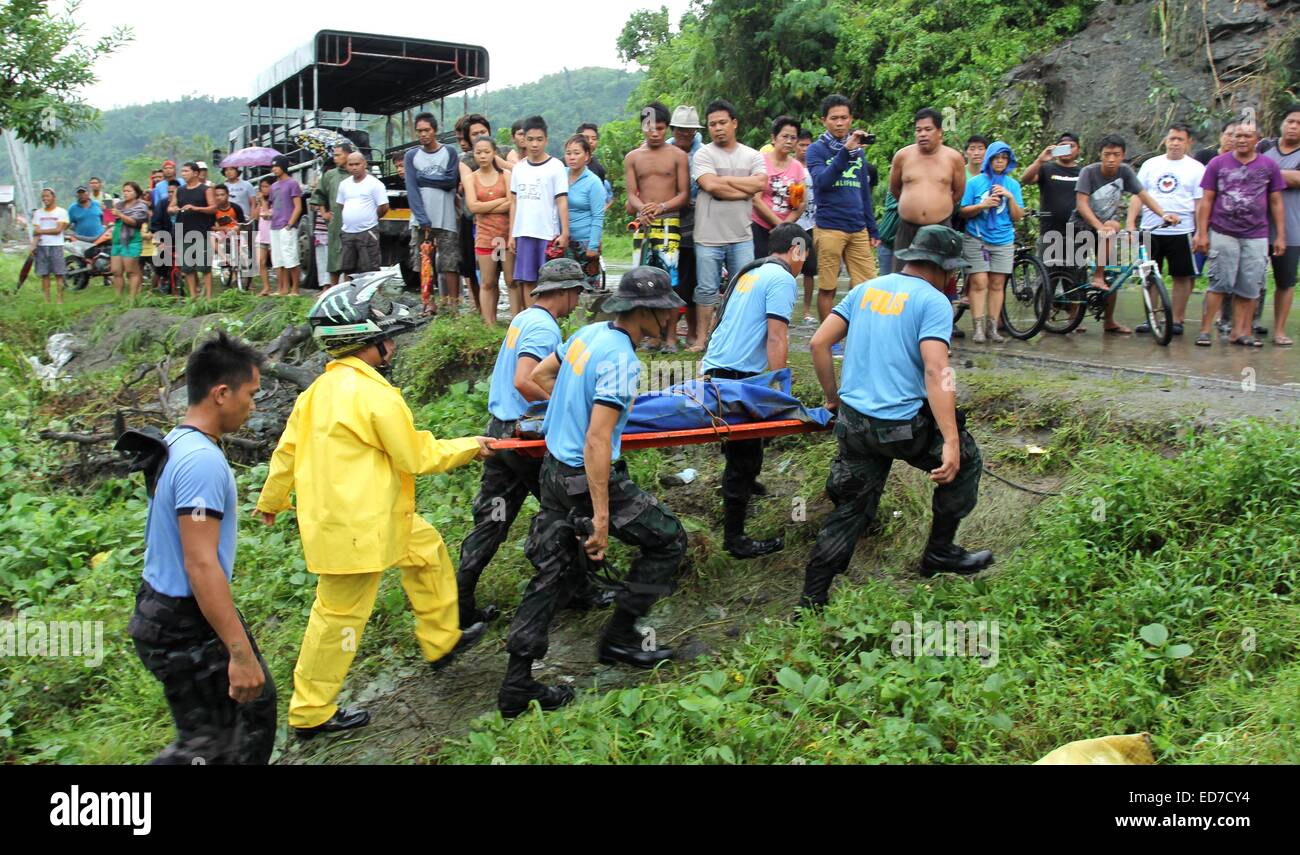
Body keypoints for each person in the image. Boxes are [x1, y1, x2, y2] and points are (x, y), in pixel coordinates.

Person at [256, 280, 495, 738]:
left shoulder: (316, 393)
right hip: (360, 529)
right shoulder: (376, 395)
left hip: (370, 518)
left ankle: (441, 641)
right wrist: (471, 446)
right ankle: (311, 712)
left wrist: (272, 499)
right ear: (365, 342)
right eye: (385, 336)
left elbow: (286, 451)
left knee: (426, 552)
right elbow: (416, 457)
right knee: (338, 619)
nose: (391, 343)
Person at [498, 267, 688, 716]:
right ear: (645, 312)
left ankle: (516, 684)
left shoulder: (587, 334)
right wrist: (602, 517)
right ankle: (620, 638)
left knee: (552, 572)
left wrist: (569, 406)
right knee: (667, 540)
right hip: (584, 478)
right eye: (665, 313)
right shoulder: (623, 361)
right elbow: (598, 442)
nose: (669, 321)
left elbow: (543, 377)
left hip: (553, 470)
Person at [799, 226, 994, 611]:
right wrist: (952, 442)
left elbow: (819, 343)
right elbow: (937, 371)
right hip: (900, 428)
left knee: (851, 509)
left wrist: (832, 397)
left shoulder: (865, 289)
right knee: (967, 461)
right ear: (944, 268)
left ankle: (812, 599)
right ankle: (939, 552)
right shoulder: (934, 302)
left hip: (854, 423)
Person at [128, 331, 275, 764]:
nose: (253, 405)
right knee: (213, 742)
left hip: (166, 613)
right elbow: (200, 564)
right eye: (251, 394)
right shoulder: (201, 462)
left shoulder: (178, 444)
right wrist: (239, 652)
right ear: (221, 393)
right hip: (182, 623)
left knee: (249, 716)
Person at [457, 259, 587, 627]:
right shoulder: (543, 328)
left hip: (500, 434)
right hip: (525, 438)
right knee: (569, 506)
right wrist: (568, 407)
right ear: (562, 292)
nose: (577, 302)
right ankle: (577, 589)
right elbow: (524, 381)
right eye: (576, 293)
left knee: (493, 518)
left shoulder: (523, 318)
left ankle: (460, 601)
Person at [701, 223, 805, 558]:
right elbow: (777, 336)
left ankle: (746, 483)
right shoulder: (782, 278)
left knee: (745, 445)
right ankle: (735, 540)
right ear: (797, 250)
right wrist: (780, 387)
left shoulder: (749, 272)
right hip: (737, 377)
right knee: (743, 457)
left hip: (714, 369)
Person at [1070, 135, 1180, 333]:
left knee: (1113, 273)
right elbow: (1081, 204)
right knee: (1075, 271)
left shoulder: (1125, 172)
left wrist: (1164, 214)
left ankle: (1109, 318)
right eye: (1107, 154)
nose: (1111, 159)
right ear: (1100, 155)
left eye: (1116, 154)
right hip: (1080, 225)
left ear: (1123, 155)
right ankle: (1074, 311)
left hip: (1106, 228)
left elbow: (1144, 196)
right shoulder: (1089, 172)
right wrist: (1097, 226)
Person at [1194, 122, 1287, 347]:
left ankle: (1239, 332)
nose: (1242, 140)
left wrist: (1280, 235)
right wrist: (1201, 232)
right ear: (1231, 139)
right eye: (1238, 136)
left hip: (1256, 234)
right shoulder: (1217, 163)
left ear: (1257, 139)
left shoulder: (1269, 165)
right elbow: (1206, 201)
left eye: (1247, 136)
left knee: (1249, 286)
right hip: (1224, 231)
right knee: (1218, 283)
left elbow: (1276, 202)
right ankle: (1205, 330)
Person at [692, 99, 767, 352]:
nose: (717, 128)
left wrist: (724, 183)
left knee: (743, 290)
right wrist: (742, 188)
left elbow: (759, 185)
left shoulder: (752, 155)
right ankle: (702, 339)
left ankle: (736, 341)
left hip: (741, 235)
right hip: (707, 235)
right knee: (706, 290)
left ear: (734, 123)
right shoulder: (703, 153)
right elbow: (711, 186)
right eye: (712, 124)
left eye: (722, 122)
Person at [806, 95, 882, 324]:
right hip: (829, 227)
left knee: (869, 286)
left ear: (851, 119)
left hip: (857, 227)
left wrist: (872, 227)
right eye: (834, 118)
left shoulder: (858, 151)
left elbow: (864, 191)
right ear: (824, 121)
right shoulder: (815, 150)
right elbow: (822, 182)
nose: (840, 123)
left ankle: (864, 332)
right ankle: (829, 338)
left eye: (844, 118)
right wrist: (844, 152)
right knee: (828, 287)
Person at [1126, 122, 1205, 336]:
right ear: (1165, 140)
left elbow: (1200, 204)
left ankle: (1177, 319)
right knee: (1149, 275)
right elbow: (1137, 195)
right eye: (1171, 139)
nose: (1175, 143)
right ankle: (1151, 317)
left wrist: (1200, 232)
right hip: (1150, 228)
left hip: (1182, 230)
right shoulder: (1151, 165)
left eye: (1180, 139)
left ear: (1189, 142)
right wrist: (1131, 223)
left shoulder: (1197, 168)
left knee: (1182, 276)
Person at [625, 101, 690, 350]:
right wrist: (642, 208)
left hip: (668, 223)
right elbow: (631, 194)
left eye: (660, 128)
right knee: (641, 281)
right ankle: (651, 336)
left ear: (667, 129)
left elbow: (683, 195)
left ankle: (671, 337)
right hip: (643, 224)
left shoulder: (677, 156)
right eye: (650, 128)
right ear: (642, 126)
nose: (655, 133)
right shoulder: (633, 158)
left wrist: (661, 206)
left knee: (669, 280)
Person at [958, 141, 1024, 342]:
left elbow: (1018, 215)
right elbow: (962, 211)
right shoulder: (975, 183)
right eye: (996, 158)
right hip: (977, 237)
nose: (1000, 162)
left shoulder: (1012, 185)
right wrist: (982, 205)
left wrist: (1010, 197)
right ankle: (978, 327)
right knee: (979, 282)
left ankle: (992, 327)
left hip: (1003, 239)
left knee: (997, 284)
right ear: (989, 159)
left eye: (1004, 158)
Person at [508, 115, 570, 306]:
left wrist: (565, 232)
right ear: (523, 140)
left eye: (539, 139)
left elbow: (561, 200)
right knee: (527, 280)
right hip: (524, 232)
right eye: (530, 139)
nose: (534, 144)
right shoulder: (518, 169)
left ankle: (548, 319)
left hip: (547, 233)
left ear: (546, 140)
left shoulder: (556, 167)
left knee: (548, 280)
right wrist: (511, 234)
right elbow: (514, 202)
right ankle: (530, 318)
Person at [404, 112, 462, 311]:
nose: (423, 134)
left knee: (450, 264)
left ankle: (453, 305)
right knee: (424, 264)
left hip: (446, 217)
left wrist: (423, 179)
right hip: (421, 220)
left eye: (427, 130)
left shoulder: (449, 153)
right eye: (419, 131)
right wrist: (422, 218)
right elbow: (411, 189)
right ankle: (429, 303)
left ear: (434, 130)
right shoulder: (412, 155)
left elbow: (450, 181)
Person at [889, 108, 966, 252]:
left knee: (939, 272)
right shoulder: (902, 156)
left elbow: (958, 192)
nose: (922, 134)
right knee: (903, 273)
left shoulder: (953, 158)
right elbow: (895, 189)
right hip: (908, 227)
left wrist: (936, 206)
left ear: (939, 131)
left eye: (928, 129)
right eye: (918, 130)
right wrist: (912, 204)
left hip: (940, 226)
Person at [1259, 104, 1300, 345]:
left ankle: (1280, 330)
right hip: (1255, 226)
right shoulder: (1264, 146)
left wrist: (1265, 171)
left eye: (1299, 123)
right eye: (1291, 121)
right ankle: (1243, 326)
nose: (1294, 126)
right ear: (1282, 123)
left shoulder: (1264, 157)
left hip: (1292, 229)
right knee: (1249, 277)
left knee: (1285, 280)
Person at [464, 135, 514, 320]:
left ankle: (515, 323)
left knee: (511, 281)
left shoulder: (505, 175)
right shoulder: (471, 178)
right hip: (485, 237)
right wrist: (500, 200)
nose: (483, 156)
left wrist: (487, 205)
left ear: (494, 153)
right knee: (488, 282)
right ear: (473, 155)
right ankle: (489, 324)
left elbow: (511, 204)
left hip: (506, 236)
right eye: (478, 152)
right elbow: (473, 207)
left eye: (487, 152)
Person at [1021, 132, 1083, 270]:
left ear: (1078, 149)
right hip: (1049, 233)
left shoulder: (1083, 172)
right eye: (1062, 146)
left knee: (1075, 282)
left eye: (1071, 146)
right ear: (1056, 148)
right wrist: (1040, 160)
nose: (1067, 149)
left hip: (1076, 234)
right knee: (1045, 282)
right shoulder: (1046, 169)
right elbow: (1026, 179)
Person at [751, 116, 808, 260]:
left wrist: (783, 227)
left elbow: (801, 203)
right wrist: (778, 225)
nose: (789, 141)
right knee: (758, 266)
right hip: (759, 226)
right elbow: (755, 199)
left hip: (784, 230)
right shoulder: (761, 161)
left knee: (783, 266)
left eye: (793, 138)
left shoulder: (797, 167)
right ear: (774, 138)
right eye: (784, 136)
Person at [671, 105, 705, 345]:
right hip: (668, 222)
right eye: (680, 130)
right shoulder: (664, 150)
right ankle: (665, 332)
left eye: (689, 130)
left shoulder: (703, 153)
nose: (685, 134)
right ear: (673, 129)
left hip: (698, 224)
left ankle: (693, 331)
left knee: (692, 280)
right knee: (670, 280)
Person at [336, 151, 389, 278]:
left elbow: (384, 207)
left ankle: (370, 296)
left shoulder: (375, 184)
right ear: (346, 166)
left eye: (357, 164)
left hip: (368, 232)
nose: (354, 167)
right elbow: (341, 205)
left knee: (370, 268)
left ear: (364, 164)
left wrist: (371, 218)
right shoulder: (344, 185)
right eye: (351, 164)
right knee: (348, 268)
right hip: (348, 232)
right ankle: (349, 296)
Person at [565, 135, 607, 292]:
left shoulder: (593, 182)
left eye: (576, 153)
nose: (572, 157)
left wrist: (593, 245)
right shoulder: (560, 175)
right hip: (564, 240)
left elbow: (598, 215)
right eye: (568, 153)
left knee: (588, 288)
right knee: (566, 287)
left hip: (585, 242)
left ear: (587, 156)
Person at [169, 162, 217, 300]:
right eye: (182, 171)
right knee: (187, 267)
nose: (183, 174)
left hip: (201, 231)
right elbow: (170, 207)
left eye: (186, 171)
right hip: (183, 231)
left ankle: (208, 297)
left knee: (204, 267)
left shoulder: (205, 189)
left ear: (195, 173)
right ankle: (193, 296)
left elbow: (213, 208)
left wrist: (196, 208)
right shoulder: (180, 190)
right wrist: (173, 209)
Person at [311, 143, 351, 286]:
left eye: (338, 155)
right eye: (334, 155)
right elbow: (319, 195)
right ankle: (333, 289)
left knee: (350, 258)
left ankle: (348, 290)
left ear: (348, 155)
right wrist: (324, 213)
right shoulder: (330, 175)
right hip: (335, 222)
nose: (335, 158)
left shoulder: (357, 174)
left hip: (354, 223)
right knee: (334, 256)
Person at [794, 127, 820, 322]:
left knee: (810, 269)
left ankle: (806, 311)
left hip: (813, 225)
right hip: (796, 226)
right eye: (801, 145)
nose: (804, 149)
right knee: (793, 268)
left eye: (807, 145)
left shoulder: (815, 166)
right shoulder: (792, 167)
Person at [268, 155, 304, 296]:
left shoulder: (292, 183)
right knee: (278, 259)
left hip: (286, 225)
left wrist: (290, 224)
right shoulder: (273, 186)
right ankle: (282, 288)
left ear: (283, 167)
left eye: (276, 166)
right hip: (274, 225)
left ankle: (295, 289)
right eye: (273, 166)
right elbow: (274, 205)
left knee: (291, 257)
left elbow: (298, 206)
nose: (274, 169)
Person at [110, 182, 149, 298]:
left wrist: (120, 215)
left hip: (131, 240)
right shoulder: (119, 205)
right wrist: (110, 211)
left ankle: (133, 298)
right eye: (124, 191)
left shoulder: (141, 206)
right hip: (117, 239)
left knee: (131, 270)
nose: (126, 193)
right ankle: (118, 297)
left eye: (129, 191)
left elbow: (134, 222)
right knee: (116, 271)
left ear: (136, 193)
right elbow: (111, 219)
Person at [32, 188, 69, 303]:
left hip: (56, 245)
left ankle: (59, 300)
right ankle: (47, 300)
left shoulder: (61, 212)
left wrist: (41, 232)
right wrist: (33, 245)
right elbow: (36, 231)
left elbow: (58, 230)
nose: (45, 198)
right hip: (42, 246)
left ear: (53, 197)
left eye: (47, 196)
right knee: (44, 274)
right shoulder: (38, 213)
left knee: (59, 273)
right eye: (43, 196)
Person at [252, 178, 274, 296]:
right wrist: (258, 202)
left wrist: (263, 202)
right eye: (262, 187)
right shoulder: (261, 201)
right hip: (262, 235)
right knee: (261, 261)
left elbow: (267, 215)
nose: (264, 189)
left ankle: (282, 286)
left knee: (276, 262)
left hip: (273, 235)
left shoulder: (275, 200)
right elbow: (255, 217)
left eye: (267, 186)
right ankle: (266, 287)